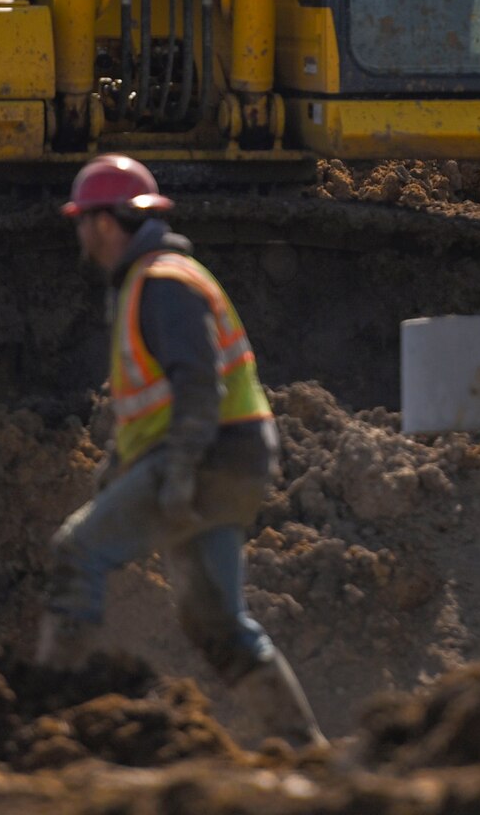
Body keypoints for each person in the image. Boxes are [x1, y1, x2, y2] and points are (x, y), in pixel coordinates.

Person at [37, 154, 326, 749]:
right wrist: (120, 470)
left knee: (77, 551)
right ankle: (302, 745)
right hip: (230, 458)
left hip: (208, 456)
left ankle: (44, 715)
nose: (81, 239)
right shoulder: (157, 279)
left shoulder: (162, 283)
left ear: (102, 223)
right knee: (215, 622)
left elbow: (198, 386)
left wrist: (177, 472)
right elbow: (154, 405)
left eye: (83, 224)